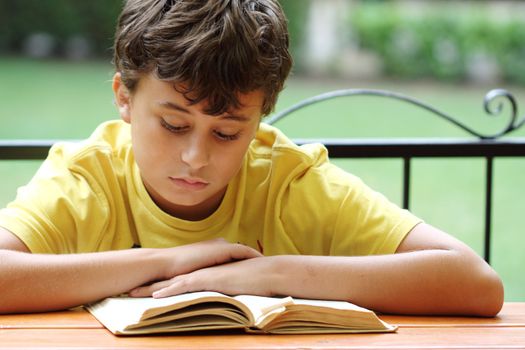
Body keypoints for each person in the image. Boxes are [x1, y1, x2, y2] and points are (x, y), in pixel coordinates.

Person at [0, 0, 503, 316]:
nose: (195, 157)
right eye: (174, 125)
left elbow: (475, 283)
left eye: (228, 132)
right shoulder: (89, 176)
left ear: (260, 118)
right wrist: (165, 261)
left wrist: (271, 274)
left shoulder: (287, 181)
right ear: (124, 98)